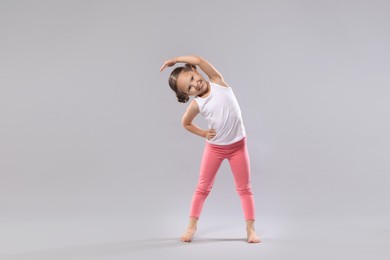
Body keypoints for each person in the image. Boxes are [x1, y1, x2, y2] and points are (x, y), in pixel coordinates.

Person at [160, 55, 260, 243]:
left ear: (195, 71)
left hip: (238, 146)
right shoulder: (197, 103)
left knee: (244, 188)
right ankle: (191, 226)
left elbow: (198, 59)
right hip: (215, 149)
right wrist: (204, 133)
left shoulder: (217, 81)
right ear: (187, 95)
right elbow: (186, 123)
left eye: (191, 78)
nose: (194, 85)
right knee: (202, 188)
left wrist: (175, 59)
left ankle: (251, 230)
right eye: (188, 88)